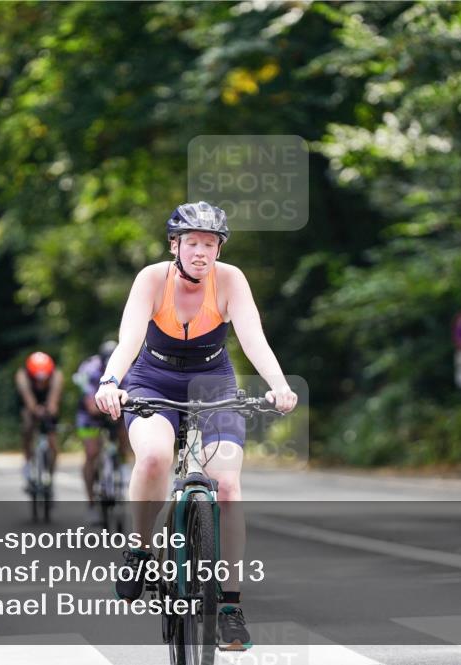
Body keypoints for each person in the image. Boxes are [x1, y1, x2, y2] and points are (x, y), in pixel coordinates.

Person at [94, 201, 298, 651]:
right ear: (176, 246)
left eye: (210, 244)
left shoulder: (231, 281)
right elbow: (129, 337)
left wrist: (279, 385)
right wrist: (111, 381)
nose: (202, 252)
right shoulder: (151, 279)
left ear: (219, 249)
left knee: (226, 485)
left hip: (213, 382)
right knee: (153, 457)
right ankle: (140, 550)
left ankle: (229, 606)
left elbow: (252, 336)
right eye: (193, 243)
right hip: (152, 378)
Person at [74, 340, 131, 524]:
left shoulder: (128, 368)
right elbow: (91, 405)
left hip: (116, 410)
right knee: (91, 453)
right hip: (90, 414)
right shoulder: (89, 369)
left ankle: (121, 463)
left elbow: (133, 396)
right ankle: (91, 504)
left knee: (126, 430)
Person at [15, 351, 63, 487]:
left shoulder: (57, 375)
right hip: (29, 402)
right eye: (37, 380)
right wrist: (34, 409)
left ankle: (51, 474)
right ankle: (28, 461)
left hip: (47, 401)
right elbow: (28, 398)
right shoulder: (22, 376)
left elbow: (54, 398)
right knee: (27, 426)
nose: (41, 383)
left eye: (44, 380)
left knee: (53, 441)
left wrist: (51, 407)